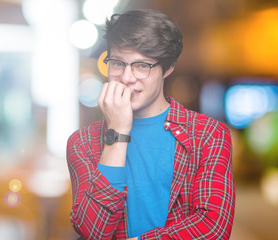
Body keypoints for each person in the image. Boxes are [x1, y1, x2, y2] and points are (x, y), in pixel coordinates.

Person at [66, 9, 235, 240]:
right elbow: (93, 231)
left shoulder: (208, 134)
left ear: (167, 68)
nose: (126, 77)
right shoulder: (82, 142)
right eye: (117, 63)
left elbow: (213, 228)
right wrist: (117, 131)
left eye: (142, 66)